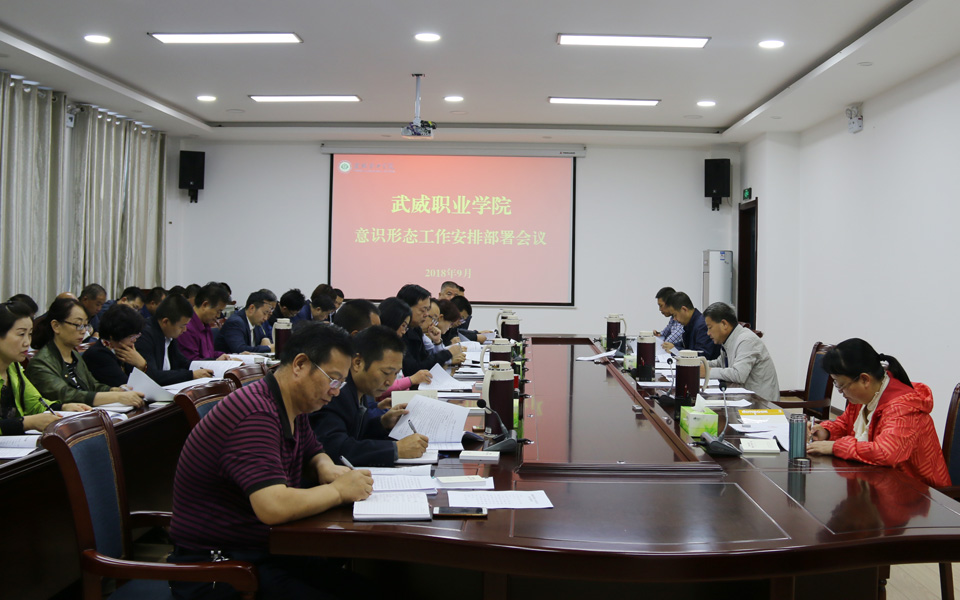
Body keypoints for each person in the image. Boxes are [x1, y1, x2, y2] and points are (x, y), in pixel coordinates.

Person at [168, 321, 375, 600]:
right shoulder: (255, 414)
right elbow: (273, 506)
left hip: (263, 550)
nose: (336, 391)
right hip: (220, 569)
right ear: (300, 364)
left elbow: (313, 451)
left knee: (364, 590)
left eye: (341, 383)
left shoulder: (290, 404)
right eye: (333, 379)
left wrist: (325, 468)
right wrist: (338, 491)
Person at [807, 338, 950, 488]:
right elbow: (845, 423)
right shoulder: (865, 396)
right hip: (880, 482)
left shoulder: (902, 408)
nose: (841, 392)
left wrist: (836, 447)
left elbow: (886, 452)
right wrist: (826, 431)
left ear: (864, 379)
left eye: (841, 385)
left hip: (919, 493)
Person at [311, 325, 428, 466]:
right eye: (386, 373)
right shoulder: (336, 392)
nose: (390, 382)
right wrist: (395, 449)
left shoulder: (361, 389)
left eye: (395, 374)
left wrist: (382, 423)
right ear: (358, 363)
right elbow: (335, 448)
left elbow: (355, 434)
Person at [25, 298, 144, 408]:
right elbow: (67, 395)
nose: (83, 331)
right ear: (56, 326)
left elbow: (92, 385)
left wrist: (115, 390)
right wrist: (117, 397)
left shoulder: (74, 355)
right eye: (78, 325)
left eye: (86, 325)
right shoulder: (40, 362)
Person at [0, 301, 91, 435]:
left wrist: (64, 407)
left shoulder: (13, 368)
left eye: (29, 334)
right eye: (21, 334)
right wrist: (26, 423)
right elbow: (27, 420)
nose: (27, 342)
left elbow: (35, 404)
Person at [702, 302, 780, 403]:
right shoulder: (729, 340)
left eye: (710, 327)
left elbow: (738, 374)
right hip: (743, 399)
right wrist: (697, 365)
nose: (708, 333)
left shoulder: (746, 340)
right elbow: (719, 363)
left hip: (761, 404)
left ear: (724, 324)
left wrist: (707, 372)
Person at [136, 295, 213, 386]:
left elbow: (183, 362)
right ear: (165, 322)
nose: (185, 330)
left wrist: (214, 362)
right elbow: (154, 375)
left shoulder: (169, 333)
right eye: (182, 326)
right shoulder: (144, 336)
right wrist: (191, 375)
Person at [396, 284, 463, 375]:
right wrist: (448, 354)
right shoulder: (398, 332)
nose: (426, 314)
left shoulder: (415, 330)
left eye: (427, 310)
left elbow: (426, 361)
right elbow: (412, 369)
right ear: (406, 307)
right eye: (423, 310)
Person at [376, 297, 432, 400]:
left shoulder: (393, 347)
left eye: (406, 327)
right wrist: (411, 380)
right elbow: (378, 388)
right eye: (403, 326)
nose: (404, 331)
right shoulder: (377, 349)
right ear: (393, 321)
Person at [81, 304, 148, 387]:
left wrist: (142, 365)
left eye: (136, 336)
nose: (134, 340)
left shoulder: (122, 351)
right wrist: (141, 365)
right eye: (131, 337)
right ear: (113, 336)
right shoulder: (98, 355)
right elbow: (128, 388)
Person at [178, 283, 232, 362]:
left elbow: (210, 354)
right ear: (205, 305)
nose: (218, 315)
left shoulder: (205, 324)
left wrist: (230, 356)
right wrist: (216, 361)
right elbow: (192, 362)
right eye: (218, 311)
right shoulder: (186, 327)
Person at [214, 290, 276, 354]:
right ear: (252, 308)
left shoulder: (255, 322)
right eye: (264, 313)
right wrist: (268, 348)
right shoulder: (235, 322)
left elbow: (262, 337)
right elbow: (240, 349)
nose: (265, 318)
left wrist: (265, 338)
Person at [664, 291, 719, 360]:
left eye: (675, 315)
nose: (674, 319)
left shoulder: (702, 325)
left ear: (684, 309)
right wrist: (674, 346)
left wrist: (675, 350)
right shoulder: (690, 324)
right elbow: (685, 345)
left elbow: (702, 355)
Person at [653, 286, 683, 351]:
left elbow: (668, 342)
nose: (660, 309)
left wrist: (660, 342)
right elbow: (665, 333)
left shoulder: (681, 317)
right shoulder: (673, 317)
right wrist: (659, 335)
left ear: (669, 303)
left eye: (661, 305)